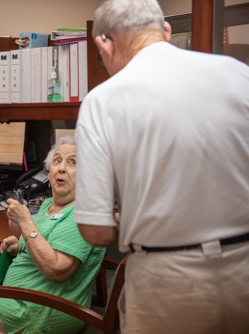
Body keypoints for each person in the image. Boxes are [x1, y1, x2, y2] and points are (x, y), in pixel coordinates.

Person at [74, 1, 249, 333]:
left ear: (104, 43)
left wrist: (129, 221)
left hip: (169, 282)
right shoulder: (238, 73)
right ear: (166, 30)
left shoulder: (103, 101)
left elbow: (94, 230)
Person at [0, 136, 105, 334]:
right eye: (57, 160)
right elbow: (44, 242)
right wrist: (20, 246)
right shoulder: (48, 205)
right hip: (26, 300)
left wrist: (26, 222)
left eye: (73, 162)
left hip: (42, 311)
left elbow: (57, 269)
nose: (61, 168)